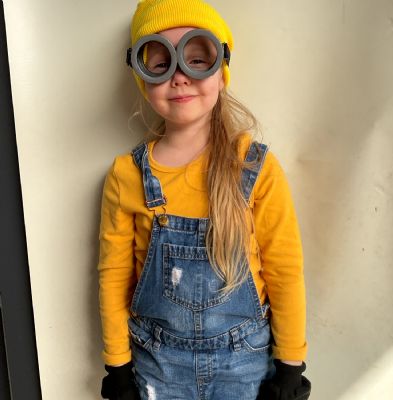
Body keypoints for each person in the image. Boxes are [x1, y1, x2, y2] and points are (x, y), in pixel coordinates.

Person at [98, 1, 311, 399]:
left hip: (245, 363)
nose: (179, 76)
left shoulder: (255, 167)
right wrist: (118, 366)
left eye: (196, 60)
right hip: (158, 365)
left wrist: (290, 365)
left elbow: (285, 270)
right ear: (142, 76)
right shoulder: (127, 175)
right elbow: (114, 278)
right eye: (161, 64)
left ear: (221, 70)